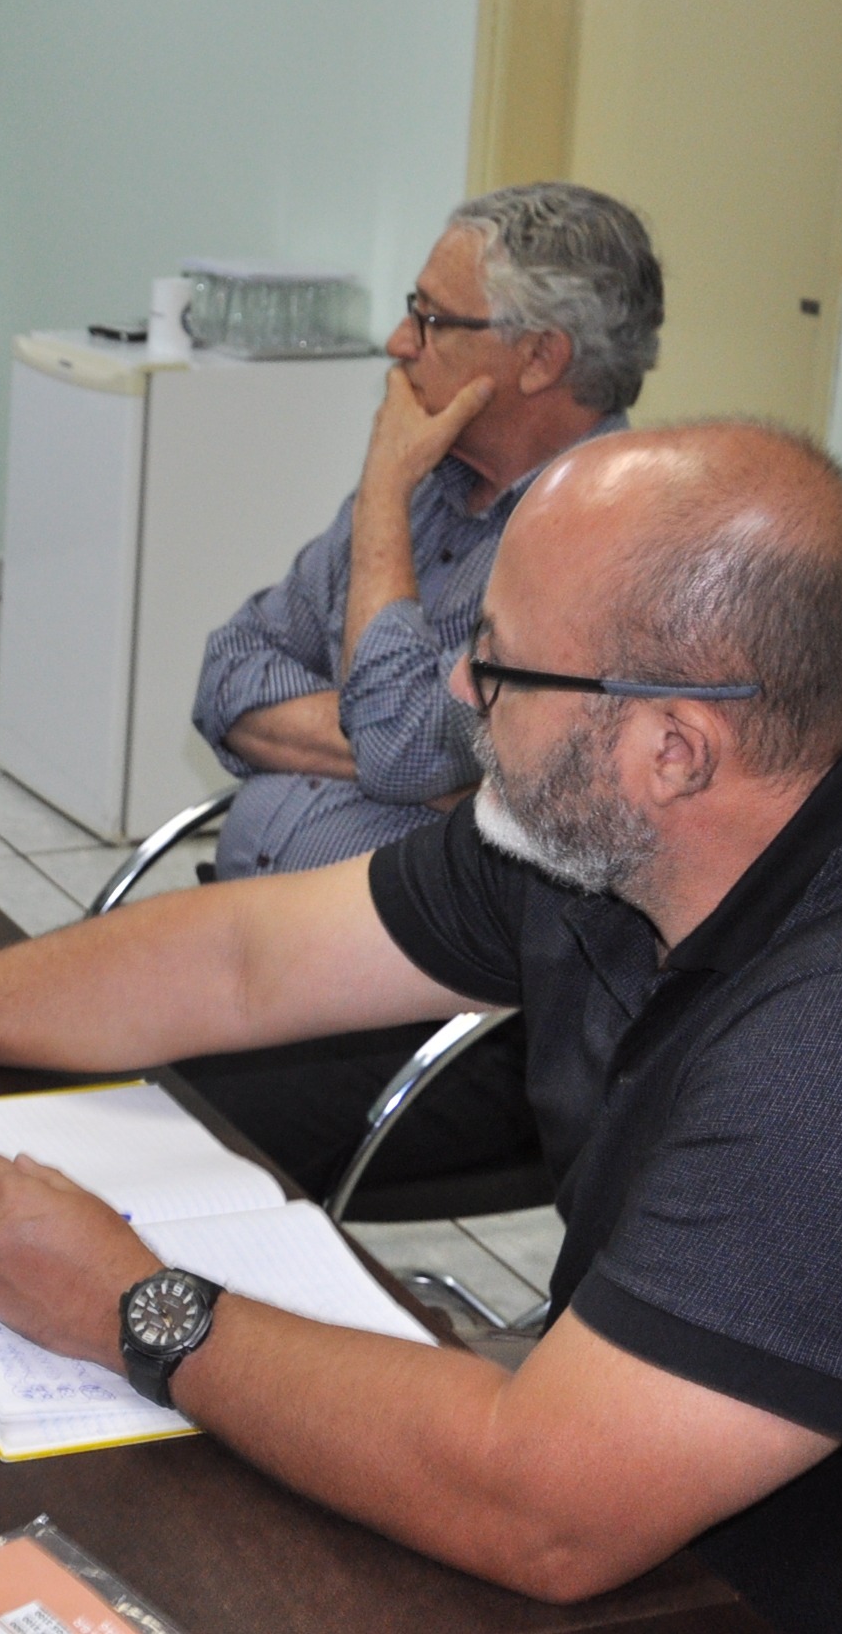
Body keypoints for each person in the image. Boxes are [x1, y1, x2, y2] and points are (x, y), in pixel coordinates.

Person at [0, 423, 842, 1627]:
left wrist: (134, 1305)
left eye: (504, 668)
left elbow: (543, 1511)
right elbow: (243, 959)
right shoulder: (603, 842)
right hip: (662, 1511)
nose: (459, 691)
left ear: (674, 750)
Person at [182, 182, 662, 1202]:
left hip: (443, 1023)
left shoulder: (607, 545)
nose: (401, 342)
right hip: (269, 951)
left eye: (435, 319)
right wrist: (426, 758)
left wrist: (384, 514)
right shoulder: (433, 478)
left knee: (142, 1115)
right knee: (43, 1037)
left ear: (540, 358)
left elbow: (406, 749)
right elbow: (230, 669)